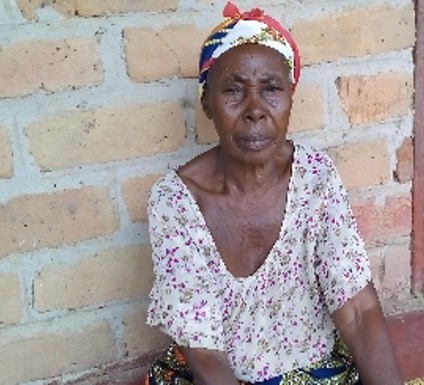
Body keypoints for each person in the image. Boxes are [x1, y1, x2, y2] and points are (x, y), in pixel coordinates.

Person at [145, 3, 403, 384]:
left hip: (315, 372)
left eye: (271, 89)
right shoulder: (176, 202)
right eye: (233, 90)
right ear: (207, 104)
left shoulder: (315, 178)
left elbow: (358, 310)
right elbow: (204, 352)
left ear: (290, 99)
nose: (255, 110)